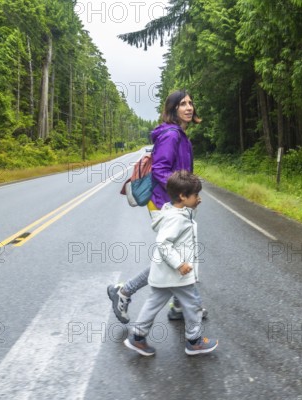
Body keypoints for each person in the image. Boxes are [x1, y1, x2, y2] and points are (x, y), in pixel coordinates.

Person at [107, 90, 206, 324]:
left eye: (191, 103)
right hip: (164, 202)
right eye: (182, 104)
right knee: (168, 256)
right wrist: (182, 194)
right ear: (173, 110)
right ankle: (124, 292)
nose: (189, 107)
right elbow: (161, 170)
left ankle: (181, 304)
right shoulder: (171, 135)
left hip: (175, 200)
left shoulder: (180, 135)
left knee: (179, 252)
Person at [124, 170, 218, 356]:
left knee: (153, 303)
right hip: (177, 275)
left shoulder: (174, 211)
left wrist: (193, 207)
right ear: (183, 196)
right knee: (193, 305)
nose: (198, 198)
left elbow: (185, 224)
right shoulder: (176, 218)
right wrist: (179, 264)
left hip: (164, 274)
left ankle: (137, 337)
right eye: (195, 195)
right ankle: (194, 341)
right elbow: (163, 243)